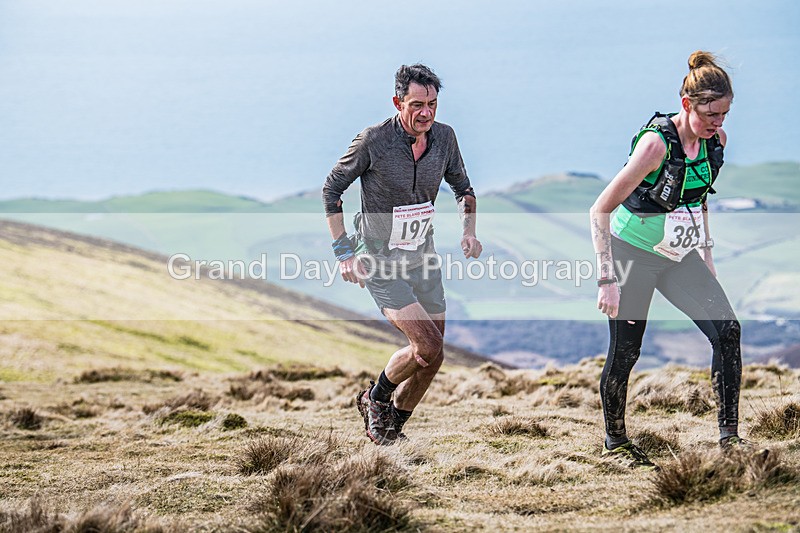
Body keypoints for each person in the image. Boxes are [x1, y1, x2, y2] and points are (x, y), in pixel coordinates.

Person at [589, 51, 745, 468]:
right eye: (711, 113)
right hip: (630, 254)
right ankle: (616, 443)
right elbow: (600, 209)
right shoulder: (656, 145)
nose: (718, 123)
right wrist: (606, 277)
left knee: (727, 330)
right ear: (687, 103)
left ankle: (729, 438)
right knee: (626, 350)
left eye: (725, 114)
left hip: (678, 256)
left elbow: (699, 198)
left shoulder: (717, 144)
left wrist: (706, 253)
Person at [322, 64, 482, 445]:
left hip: (423, 259)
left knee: (434, 355)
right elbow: (332, 190)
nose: (426, 113)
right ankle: (374, 400)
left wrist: (469, 232)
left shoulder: (445, 138)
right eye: (416, 104)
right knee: (425, 344)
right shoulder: (373, 141)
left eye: (432, 104)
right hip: (380, 262)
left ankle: (392, 427)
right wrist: (345, 253)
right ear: (398, 102)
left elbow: (464, 188)